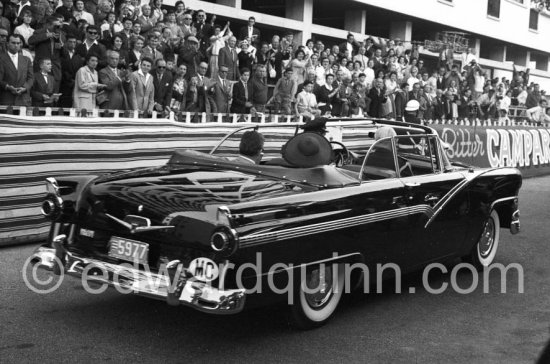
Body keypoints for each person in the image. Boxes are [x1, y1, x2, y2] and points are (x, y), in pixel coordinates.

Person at [0, 34, 34, 106]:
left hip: (23, 99)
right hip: (6, 99)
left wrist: (24, 88)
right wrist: (8, 87)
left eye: (18, 43)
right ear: (7, 44)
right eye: (13, 43)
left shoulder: (26, 60)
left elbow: (31, 78)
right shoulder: (1, 58)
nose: (16, 45)